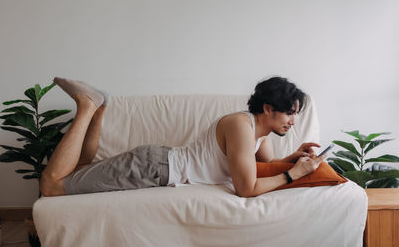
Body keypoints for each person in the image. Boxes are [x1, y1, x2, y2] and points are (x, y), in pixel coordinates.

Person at [40, 76, 327, 198]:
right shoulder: (241, 125)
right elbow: (246, 187)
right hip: (151, 168)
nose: (293, 121)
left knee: (78, 172)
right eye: (289, 113)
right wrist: (293, 175)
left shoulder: (257, 131)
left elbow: (266, 165)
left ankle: (99, 107)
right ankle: (87, 106)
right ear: (268, 108)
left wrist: (293, 158)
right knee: (52, 187)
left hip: (156, 163)